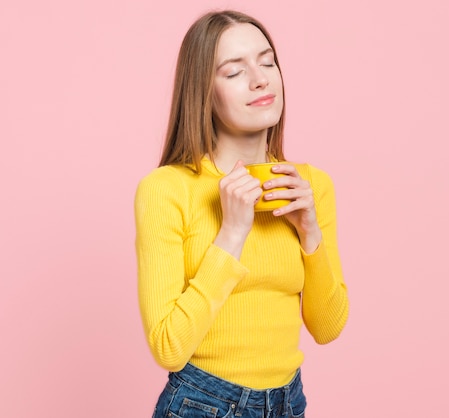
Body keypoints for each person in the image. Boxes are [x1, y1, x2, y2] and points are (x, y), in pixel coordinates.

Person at [134, 10, 349, 418]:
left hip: (289, 402)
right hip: (202, 404)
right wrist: (231, 234)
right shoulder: (167, 189)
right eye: (234, 72)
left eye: (267, 62)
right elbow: (168, 347)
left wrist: (310, 233)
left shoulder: (311, 186)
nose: (260, 78)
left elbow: (328, 327)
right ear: (203, 92)